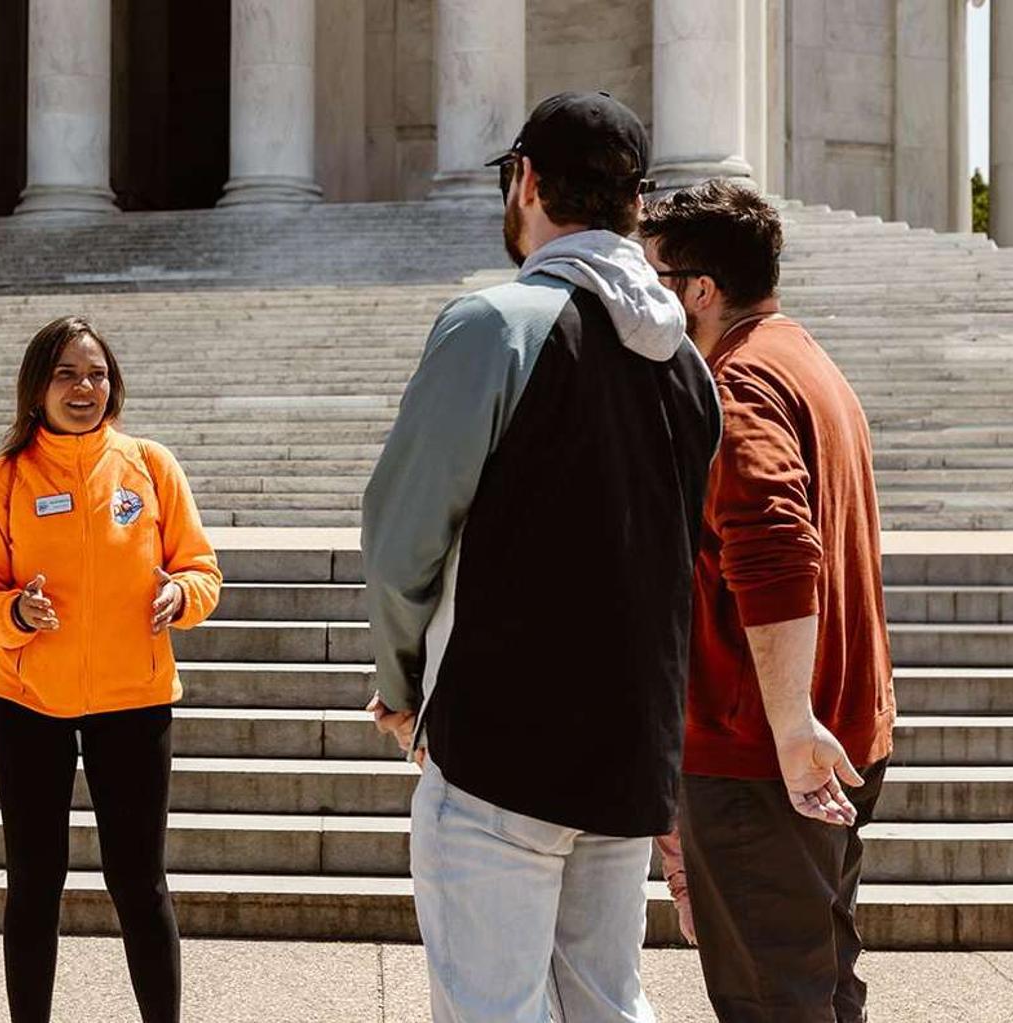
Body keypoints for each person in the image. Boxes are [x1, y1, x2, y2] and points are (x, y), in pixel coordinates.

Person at [361, 91, 722, 1023]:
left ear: (525, 181)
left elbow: (402, 534)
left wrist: (403, 686)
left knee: (492, 1007)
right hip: (626, 750)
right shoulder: (689, 368)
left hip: (500, 741)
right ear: (636, 203)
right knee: (607, 1003)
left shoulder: (495, 325)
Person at [640, 179, 895, 1023]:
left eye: (653, 278)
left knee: (773, 1002)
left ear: (699, 290)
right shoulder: (805, 359)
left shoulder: (737, 382)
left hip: (765, 754)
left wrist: (788, 726)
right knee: (822, 989)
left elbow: (777, 545)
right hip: (831, 736)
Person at [0, 315, 222, 1023]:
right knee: (34, 882)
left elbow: (203, 570)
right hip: (27, 704)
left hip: (134, 702)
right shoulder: (5, 479)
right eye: (67, 374)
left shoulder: (150, 465)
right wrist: (16, 612)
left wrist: (180, 595)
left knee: (140, 883)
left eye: (97, 374)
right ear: (37, 387)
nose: (84, 387)